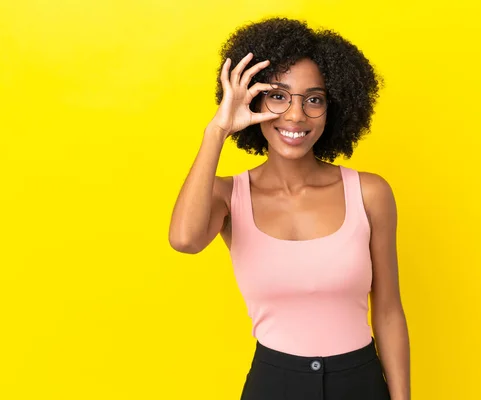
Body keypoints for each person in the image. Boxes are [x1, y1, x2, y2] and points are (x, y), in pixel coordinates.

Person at [169, 17, 410, 400]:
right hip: (273, 384)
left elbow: (388, 312)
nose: (296, 116)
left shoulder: (369, 193)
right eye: (278, 96)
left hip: (360, 383)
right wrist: (216, 130)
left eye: (314, 99)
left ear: (334, 108)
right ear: (254, 99)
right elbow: (184, 240)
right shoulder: (227, 196)